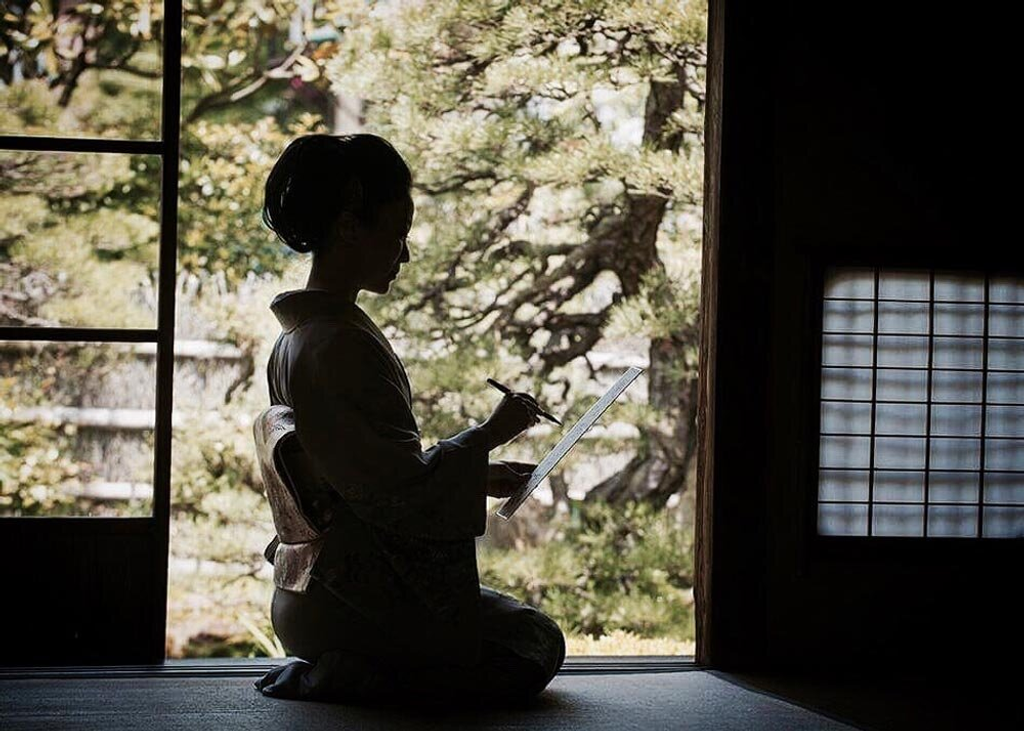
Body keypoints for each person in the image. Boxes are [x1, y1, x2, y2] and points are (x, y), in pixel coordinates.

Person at [252, 133, 566, 706]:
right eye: (397, 232)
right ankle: (354, 673)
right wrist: (490, 434)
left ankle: (347, 668)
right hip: (350, 598)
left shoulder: (302, 339)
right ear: (350, 226)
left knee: (517, 631)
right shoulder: (336, 343)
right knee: (532, 642)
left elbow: (365, 477)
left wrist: (478, 474)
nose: (405, 252)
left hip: (310, 586)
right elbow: (395, 493)